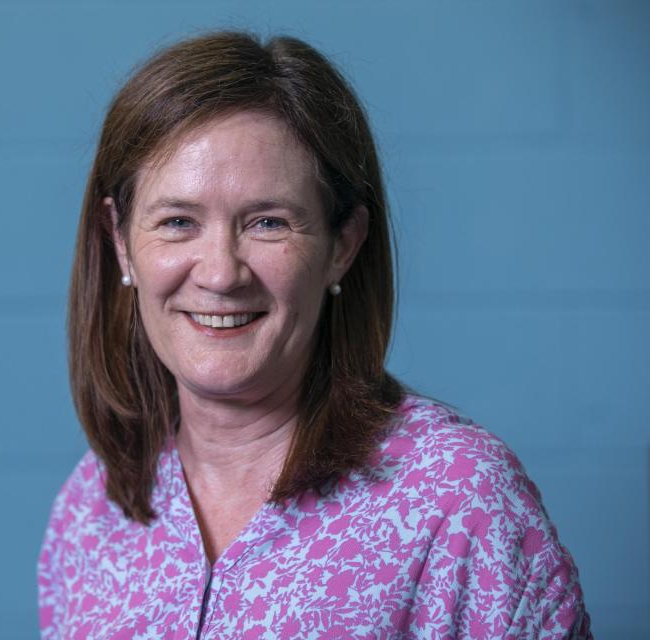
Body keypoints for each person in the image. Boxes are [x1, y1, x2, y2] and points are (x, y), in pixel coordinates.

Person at [38, 31, 592, 639]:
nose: (221, 272)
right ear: (121, 242)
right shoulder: (92, 507)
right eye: (177, 222)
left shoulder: (461, 499)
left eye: (269, 222)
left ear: (342, 247)